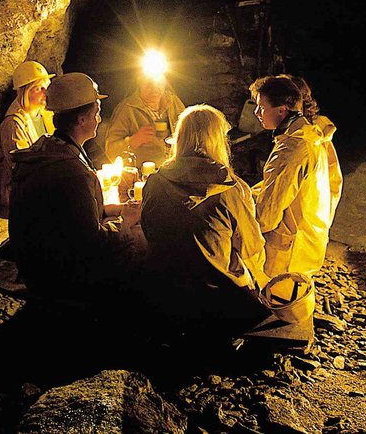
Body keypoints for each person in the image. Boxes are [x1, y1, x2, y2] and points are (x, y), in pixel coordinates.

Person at [8, 72, 146, 302]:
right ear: (82, 119)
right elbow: (92, 243)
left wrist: (115, 210)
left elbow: (68, 217)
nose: (99, 119)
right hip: (59, 280)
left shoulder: (47, 151)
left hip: (34, 267)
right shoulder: (71, 171)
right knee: (141, 240)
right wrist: (127, 222)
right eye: (97, 113)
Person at [139, 104, 269, 334]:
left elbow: (148, 230)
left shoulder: (155, 182)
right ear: (218, 141)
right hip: (216, 300)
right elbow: (251, 247)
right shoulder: (232, 190)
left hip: (163, 291)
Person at [250, 75, 343, 276]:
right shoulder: (312, 136)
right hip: (309, 242)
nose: (256, 113)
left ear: (282, 109)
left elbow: (266, 216)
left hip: (287, 254)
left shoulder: (291, 148)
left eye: (261, 107)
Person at [0, 61, 55, 218]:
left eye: (46, 87)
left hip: (41, 189)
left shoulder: (46, 116)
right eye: (38, 88)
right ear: (25, 92)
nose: (44, 93)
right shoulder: (13, 124)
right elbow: (19, 166)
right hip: (16, 198)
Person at [105, 73, 185, 167]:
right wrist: (133, 141)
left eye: (159, 83)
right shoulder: (127, 109)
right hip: (143, 174)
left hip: (173, 169)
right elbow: (111, 151)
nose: (155, 88)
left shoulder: (173, 102)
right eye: (149, 84)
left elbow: (190, 131)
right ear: (140, 83)